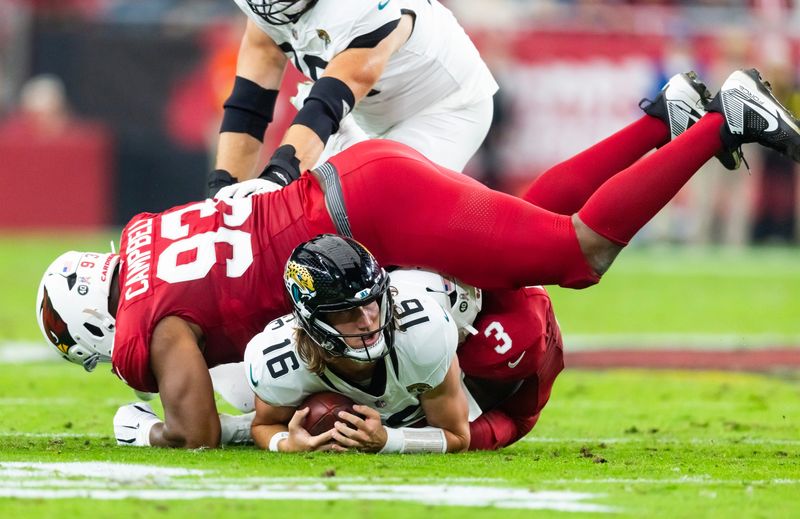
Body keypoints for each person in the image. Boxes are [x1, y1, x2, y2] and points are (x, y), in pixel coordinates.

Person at [35, 69, 800, 448]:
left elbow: (196, 425)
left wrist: (151, 427)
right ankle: (662, 121)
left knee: (577, 255)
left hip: (364, 217)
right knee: (523, 236)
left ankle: (719, 123)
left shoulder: (141, 325)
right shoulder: (143, 233)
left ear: (92, 325)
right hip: (352, 189)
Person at [245, 236, 559, 453]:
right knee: (237, 392)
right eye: (346, 311)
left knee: (520, 348)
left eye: (372, 303)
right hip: (408, 377)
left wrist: (387, 441)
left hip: (488, 326)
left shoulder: (424, 332)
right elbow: (264, 425)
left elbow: (457, 436)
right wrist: (287, 443)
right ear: (312, 321)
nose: (368, 321)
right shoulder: (278, 360)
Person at [210, 0, 497, 194]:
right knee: (306, 219)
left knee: (383, 220)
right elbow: (248, 106)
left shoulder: (361, 7)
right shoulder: (268, 12)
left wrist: (277, 177)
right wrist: (220, 196)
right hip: (359, 112)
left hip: (443, 108)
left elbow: (328, 103)